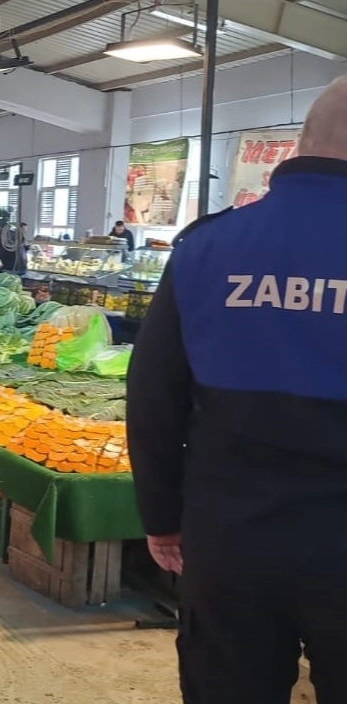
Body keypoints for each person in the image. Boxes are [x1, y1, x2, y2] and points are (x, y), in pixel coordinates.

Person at [125, 75, 346, 704]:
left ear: (301, 141)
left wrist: (162, 517)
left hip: (230, 537)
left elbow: (153, 393)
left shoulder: (208, 246)